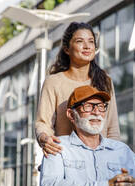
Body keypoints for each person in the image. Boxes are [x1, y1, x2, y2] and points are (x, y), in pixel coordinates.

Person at [35, 22, 120, 158]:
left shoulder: (105, 80)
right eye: (80, 41)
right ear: (67, 49)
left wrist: (114, 157)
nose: (87, 46)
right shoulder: (53, 82)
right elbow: (43, 123)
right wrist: (45, 139)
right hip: (67, 158)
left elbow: (112, 127)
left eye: (91, 42)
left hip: (101, 158)